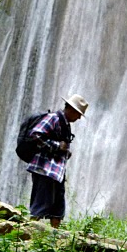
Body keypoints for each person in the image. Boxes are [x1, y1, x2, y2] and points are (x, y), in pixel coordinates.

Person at [26, 94, 88, 228]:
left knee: (58, 208)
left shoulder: (65, 124)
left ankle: (54, 239)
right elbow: (35, 134)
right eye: (78, 114)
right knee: (39, 204)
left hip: (56, 172)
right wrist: (57, 146)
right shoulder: (53, 118)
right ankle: (28, 234)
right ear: (71, 109)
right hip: (44, 170)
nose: (78, 118)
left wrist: (65, 151)